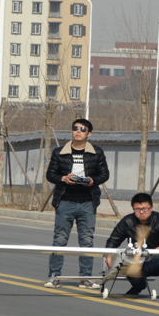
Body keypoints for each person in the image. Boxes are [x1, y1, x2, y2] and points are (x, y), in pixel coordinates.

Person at [44, 119, 109, 289]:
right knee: (59, 240)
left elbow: (104, 174)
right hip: (65, 201)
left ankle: (85, 278)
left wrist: (93, 180)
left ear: (89, 134)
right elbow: (50, 174)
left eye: (82, 129)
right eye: (75, 128)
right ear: (71, 131)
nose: (78, 131)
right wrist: (63, 178)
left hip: (87, 203)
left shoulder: (97, 152)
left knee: (87, 241)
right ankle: (54, 276)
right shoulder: (59, 152)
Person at [104, 193, 159, 299]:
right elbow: (113, 240)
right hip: (136, 261)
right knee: (128, 263)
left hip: (156, 261)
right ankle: (138, 286)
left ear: (151, 208)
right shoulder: (127, 221)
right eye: (137, 209)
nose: (141, 212)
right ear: (133, 209)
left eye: (145, 208)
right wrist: (109, 255)